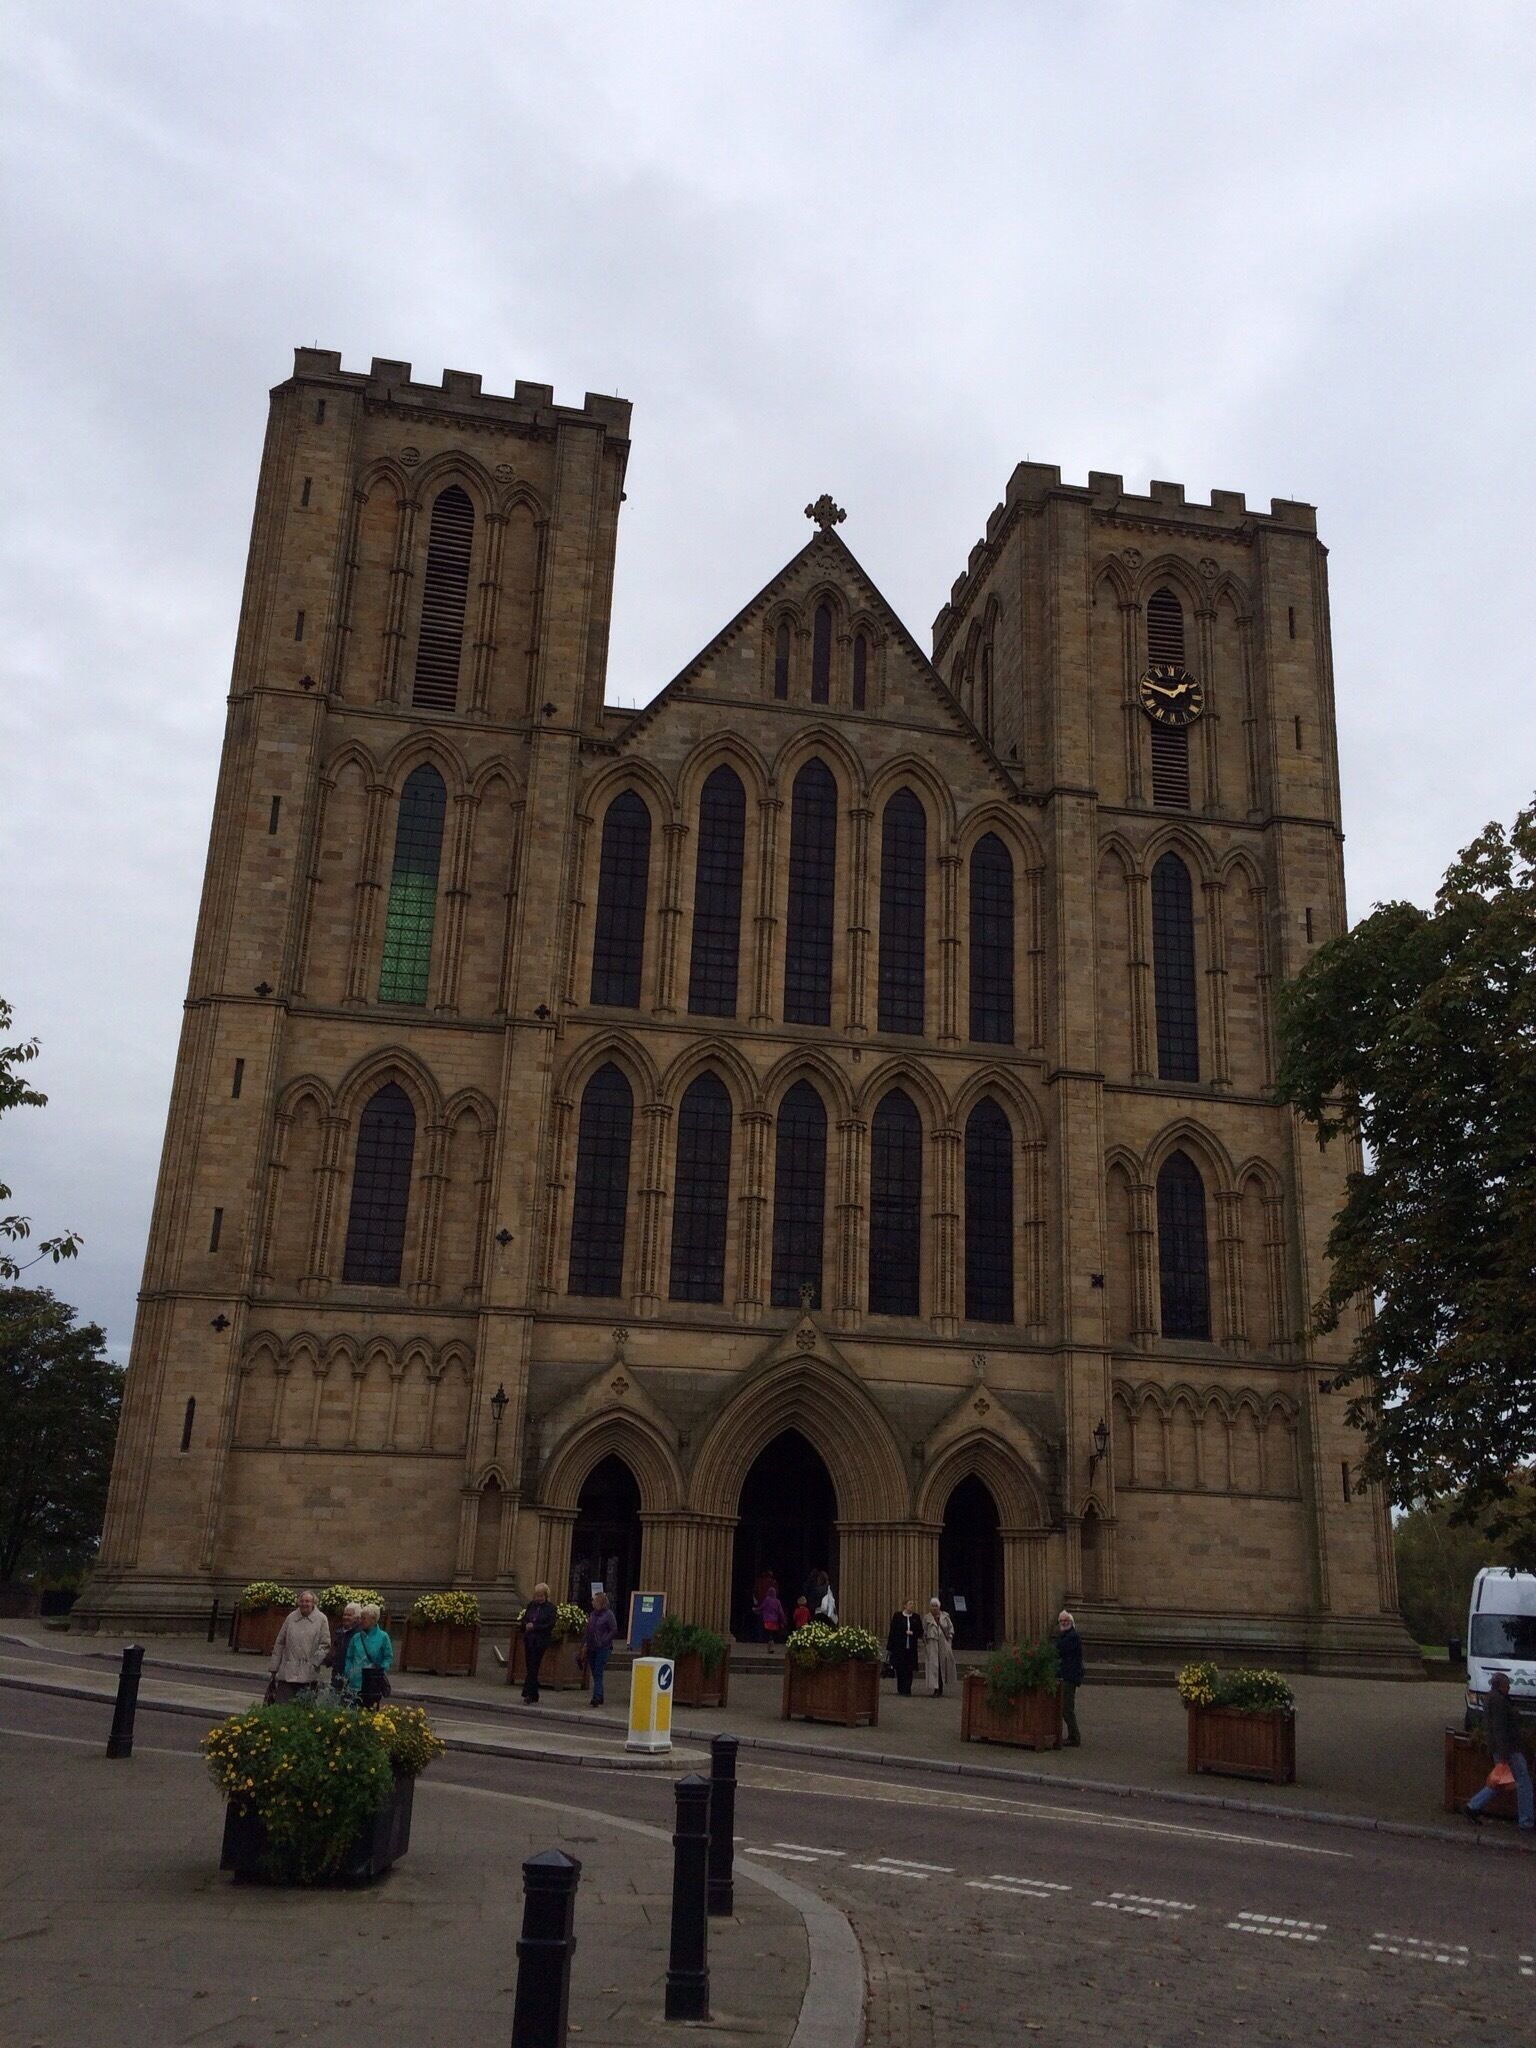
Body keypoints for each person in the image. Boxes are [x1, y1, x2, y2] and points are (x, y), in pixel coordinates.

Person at [1465, 1671, 1534, 1830]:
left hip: (1502, 1748)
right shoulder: (1499, 1701)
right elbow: (1500, 1729)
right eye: (1507, 1685)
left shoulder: (1492, 1699)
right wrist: (1503, 1755)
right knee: (1523, 1782)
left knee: (1499, 1782)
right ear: (1501, 1685)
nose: (1509, 1688)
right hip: (1509, 1749)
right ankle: (1526, 1821)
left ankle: (1473, 1806)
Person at [266, 1589, 331, 1702]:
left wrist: (314, 1663)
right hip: (288, 1672)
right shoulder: (291, 1618)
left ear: (313, 1603)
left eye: (307, 1601)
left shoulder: (321, 1619)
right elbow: (280, 1643)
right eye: (302, 1601)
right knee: (282, 1706)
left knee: (304, 1707)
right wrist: (274, 1667)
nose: (304, 1604)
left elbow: (325, 1645)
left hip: (308, 1675)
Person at [342, 1602, 394, 1705]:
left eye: (364, 1618)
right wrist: (348, 1672)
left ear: (373, 1620)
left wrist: (380, 1670)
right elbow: (349, 1657)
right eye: (360, 1618)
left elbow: (388, 1657)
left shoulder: (383, 1637)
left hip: (372, 1685)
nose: (361, 1621)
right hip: (354, 1684)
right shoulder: (356, 1637)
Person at [520, 1581, 557, 1704]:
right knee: (529, 1665)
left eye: (541, 1596)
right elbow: (524, 1619)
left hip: (541, 1640)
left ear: (546, 1596)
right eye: (537, 1596)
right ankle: (534, 1693)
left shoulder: (550, 1608)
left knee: (533, 1666)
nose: (539, 1598)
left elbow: (549, 1624)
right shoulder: (531, 1605)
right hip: (529, 1639)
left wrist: (534, 1627)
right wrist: (526, 1625)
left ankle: (529, 1694)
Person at [582, 1590, 617, 1708]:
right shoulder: (592, 1614)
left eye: (594, 1600)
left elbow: (613, 1630)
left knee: (598, 1671)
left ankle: (596, 1697)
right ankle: (600, 1695)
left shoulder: (608, 1614)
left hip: (603, 1648)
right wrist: (585, 1644)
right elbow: (589, 1630)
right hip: (592, 1647)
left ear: (600, 1602)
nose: (592, 1602)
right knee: (595, 1672)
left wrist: (604, 1640)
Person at [1057, 1609, 1084, 1746]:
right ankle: (1072, 1736)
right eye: (1061, 1621)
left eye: (1066, 1621)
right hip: (1066, 1675)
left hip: (1070, 1677)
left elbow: (1060, 1650)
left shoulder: (1072, 1636)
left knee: (1066, 1708)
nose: (1063, 1623)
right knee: (1065, 1707)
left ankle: (1074, 1737)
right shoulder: (1066, 1635)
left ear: (1071, 1622)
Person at [887, 1599, 924, 1696]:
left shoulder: (916, 1617)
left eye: (913, 1604)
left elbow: (920, 1631)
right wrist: (890, 1647)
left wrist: (913, 1633)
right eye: (910, 1604)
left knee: (909, 1669)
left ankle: (907, 1689)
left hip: (911, 1648)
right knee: (900, 1668)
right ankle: (901, 1688)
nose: (912, 1606)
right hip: (900, 1647)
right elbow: (893, 1631)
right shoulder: (897, 1616)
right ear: (905, 1605)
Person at [924, 1597, 957, 1698]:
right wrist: (926, 1642)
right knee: (934, 1666)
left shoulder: (945, 1616)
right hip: (932, 1644)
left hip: (943, 1644)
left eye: (936, 1606)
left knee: (943, 1665)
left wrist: (949, 1639)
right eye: (932, 1606)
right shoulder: (927, 1618)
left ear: (939, 1606)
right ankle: (936, 1689)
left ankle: (941, 1687)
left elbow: (951, 1628)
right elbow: (924, 1631)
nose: (934, 1608)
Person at [329, 1600, 362, 1695]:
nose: (345, 1617)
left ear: (357, 1618)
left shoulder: (359, 1634)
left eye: (349, 1615)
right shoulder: (339, 1631)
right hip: (337, 1673)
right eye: (344, 1615)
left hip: (352, 1675)